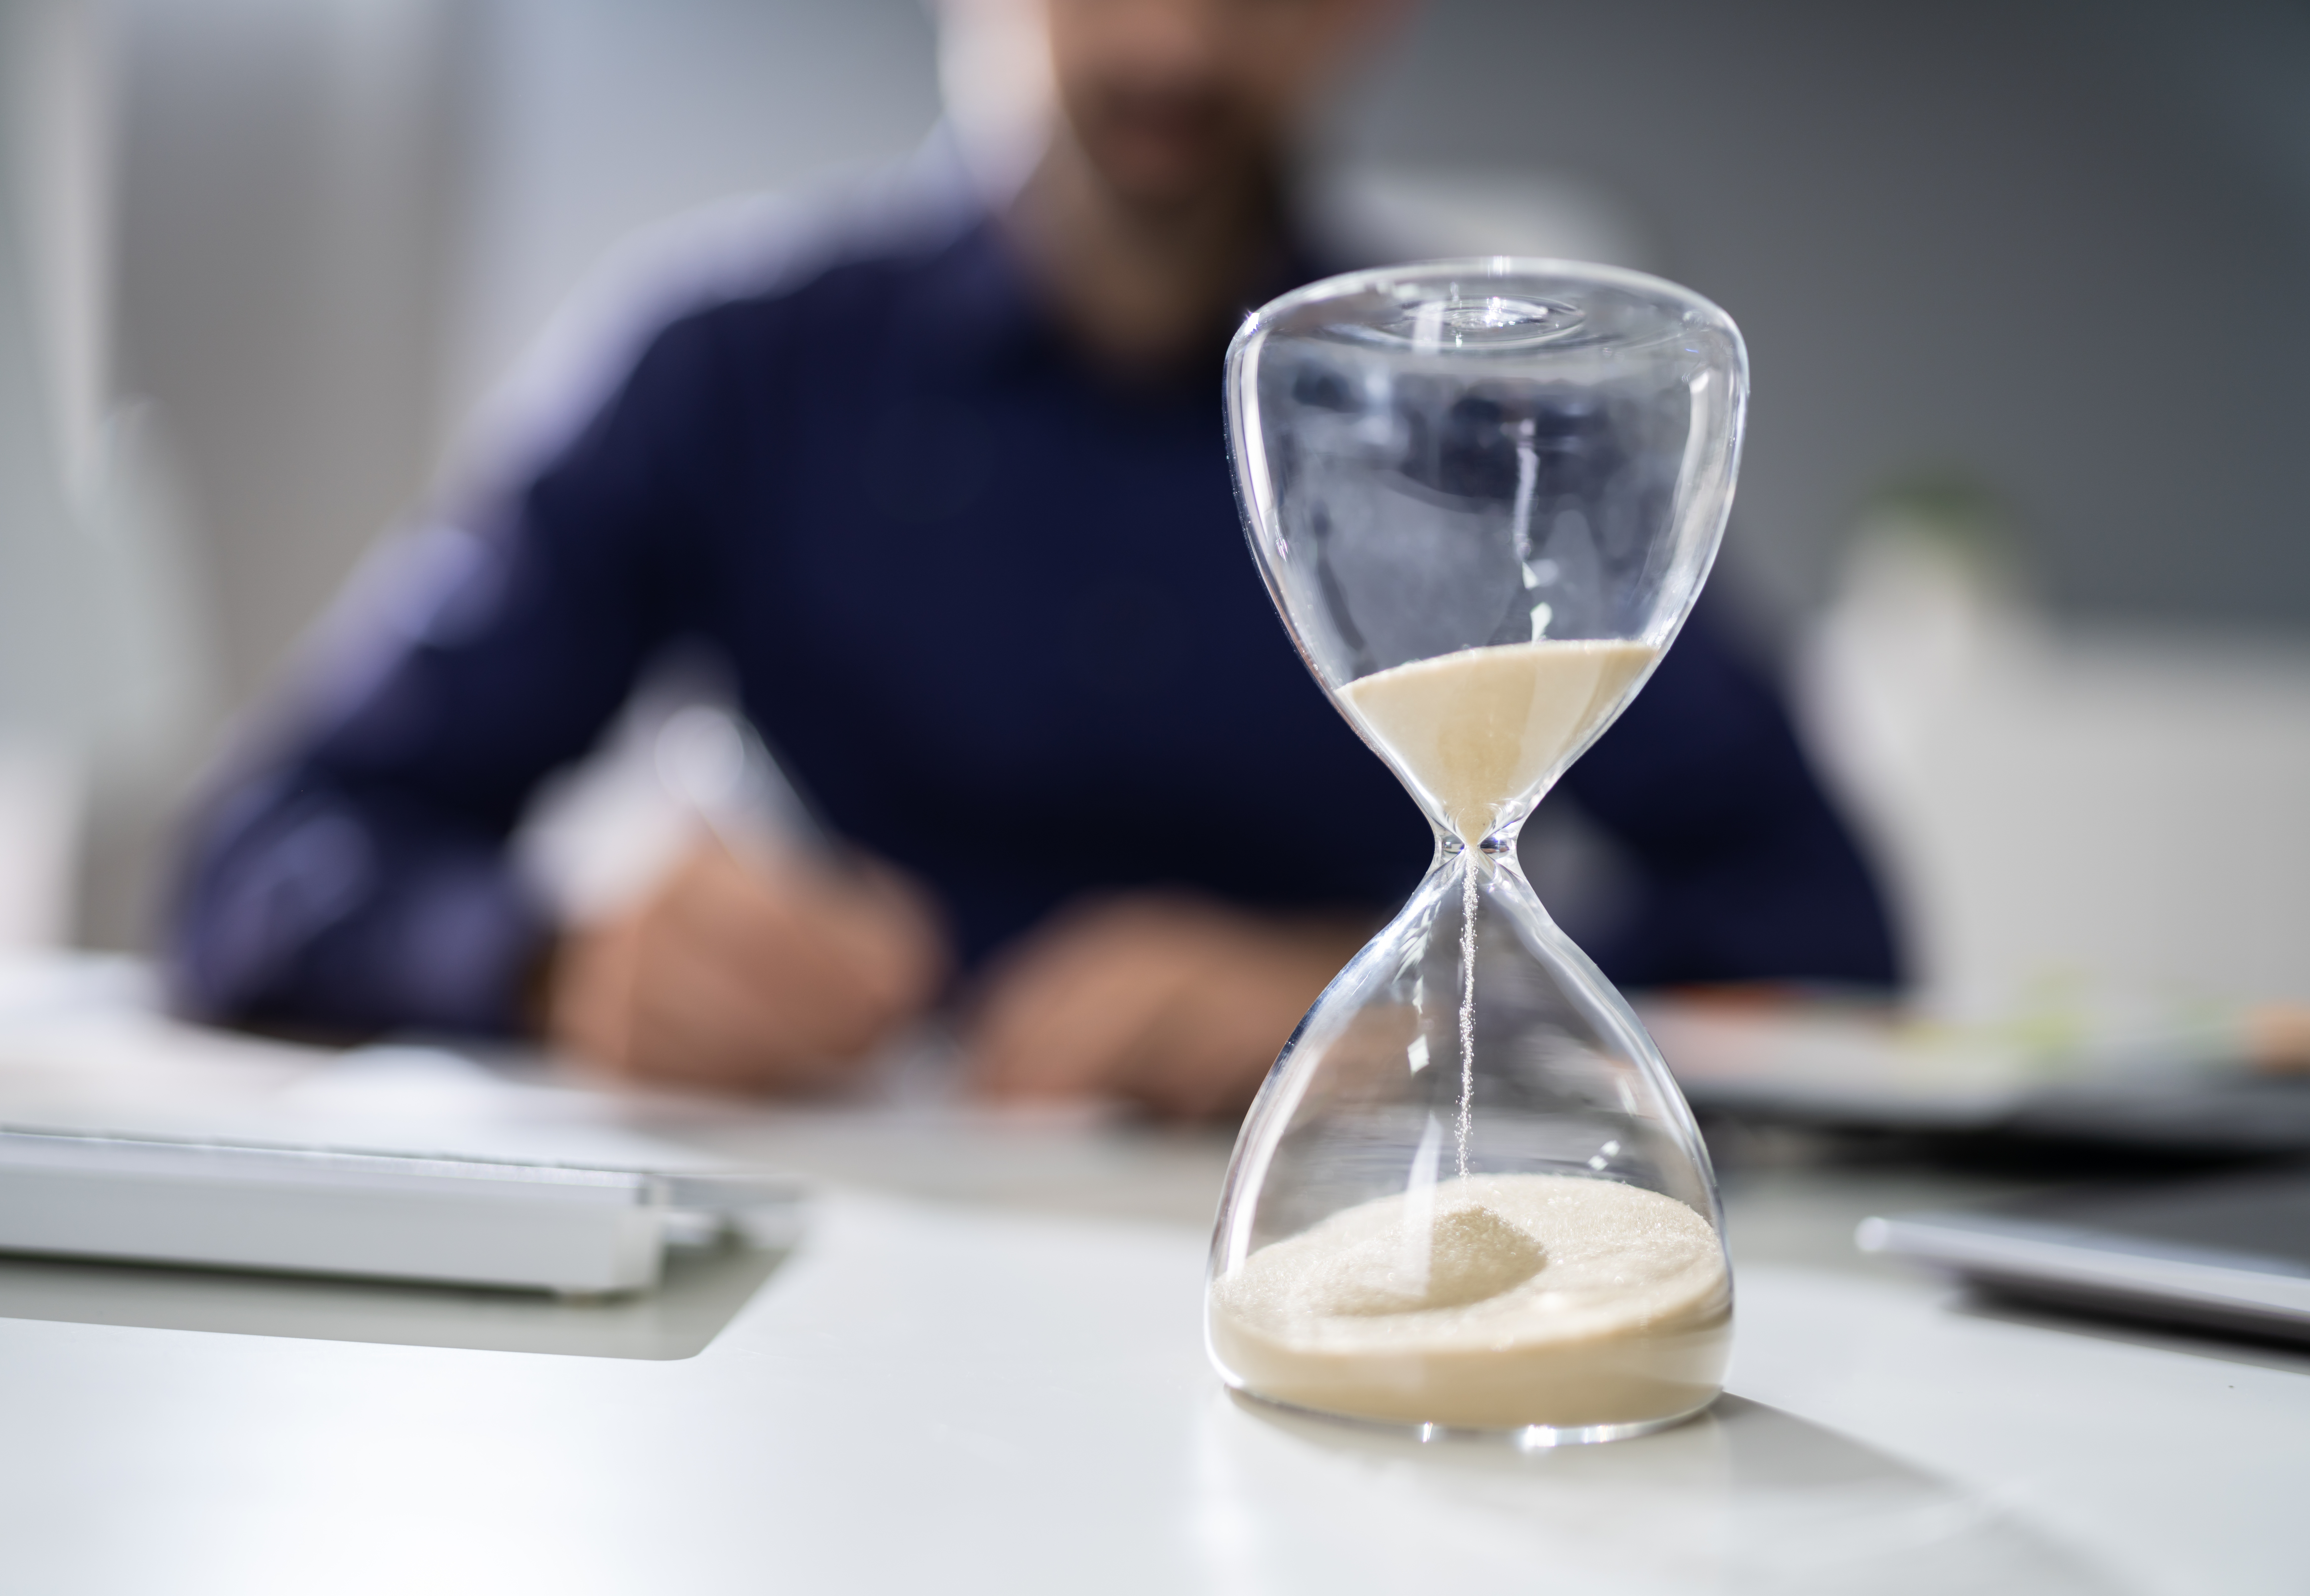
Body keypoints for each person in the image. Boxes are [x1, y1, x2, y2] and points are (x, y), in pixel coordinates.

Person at [169, 0, 1897, 1119]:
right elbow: (266, 855)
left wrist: (1433, 1004)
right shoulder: (728, 372)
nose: (1175, 44)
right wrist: (551, 960)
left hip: (1351, 1224)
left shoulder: (1500, 427)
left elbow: (1833, 937)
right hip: (840, 1240)